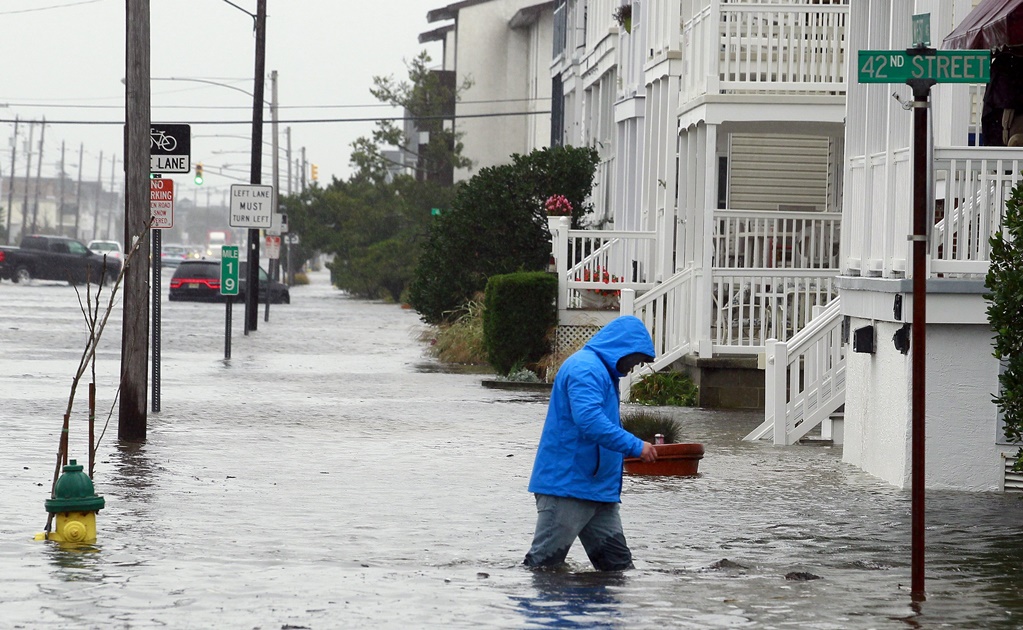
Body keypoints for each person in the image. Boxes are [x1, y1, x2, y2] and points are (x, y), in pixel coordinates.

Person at [524, 315, 658, 571]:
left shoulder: (602, 372)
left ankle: (604, 613)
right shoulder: (585, 369)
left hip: (597, 492)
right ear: (624, 349)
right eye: (636, 359)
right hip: (567, 488)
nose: (634, 367)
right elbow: (589, 421)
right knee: (542, 567)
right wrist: (636, 446)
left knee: (618, 571)